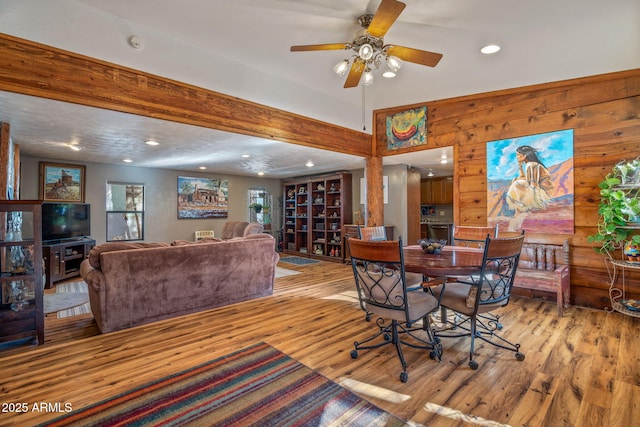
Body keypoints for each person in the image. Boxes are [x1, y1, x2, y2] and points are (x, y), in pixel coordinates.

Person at [506, 145, 554, 214]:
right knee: (515, 180)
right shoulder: (530, 164)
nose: (517, 157)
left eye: (518, 155)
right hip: (538, 187)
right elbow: (523, 177)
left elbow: (533, 183)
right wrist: (520, 166)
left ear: (524, 156)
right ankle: (518, 210)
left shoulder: (531, 165)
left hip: (543, 191)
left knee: (516, 184)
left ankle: (519, 210)